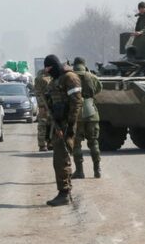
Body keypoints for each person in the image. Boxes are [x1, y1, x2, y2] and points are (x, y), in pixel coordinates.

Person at [43, 54, 83, 207]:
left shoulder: (70, 78)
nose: (47, 71)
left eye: (48, 67)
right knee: (58, 160)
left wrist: (70, 126)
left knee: (62, 158)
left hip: (66, 125)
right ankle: (63, 191)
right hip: (58, 123)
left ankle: (64, 193)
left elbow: (76, 103)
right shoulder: (56, 79)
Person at [70, 57, 103, 179]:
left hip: (76, 114)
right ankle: (97, 170)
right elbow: (99, 89)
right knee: (94, 142)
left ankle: (80, 171)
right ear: (84, 64)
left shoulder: (70, 77)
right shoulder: (92, 76)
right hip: (91, 113)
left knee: (76, 144)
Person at [33, 69, 53, 151]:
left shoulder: (53, 76)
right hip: (44, 105)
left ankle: (50, 143)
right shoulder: (40, 78)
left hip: (53, 104)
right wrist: (41, 106)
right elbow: (38, 93)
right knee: (43, 124)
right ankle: (42, 144)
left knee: (52, 125)